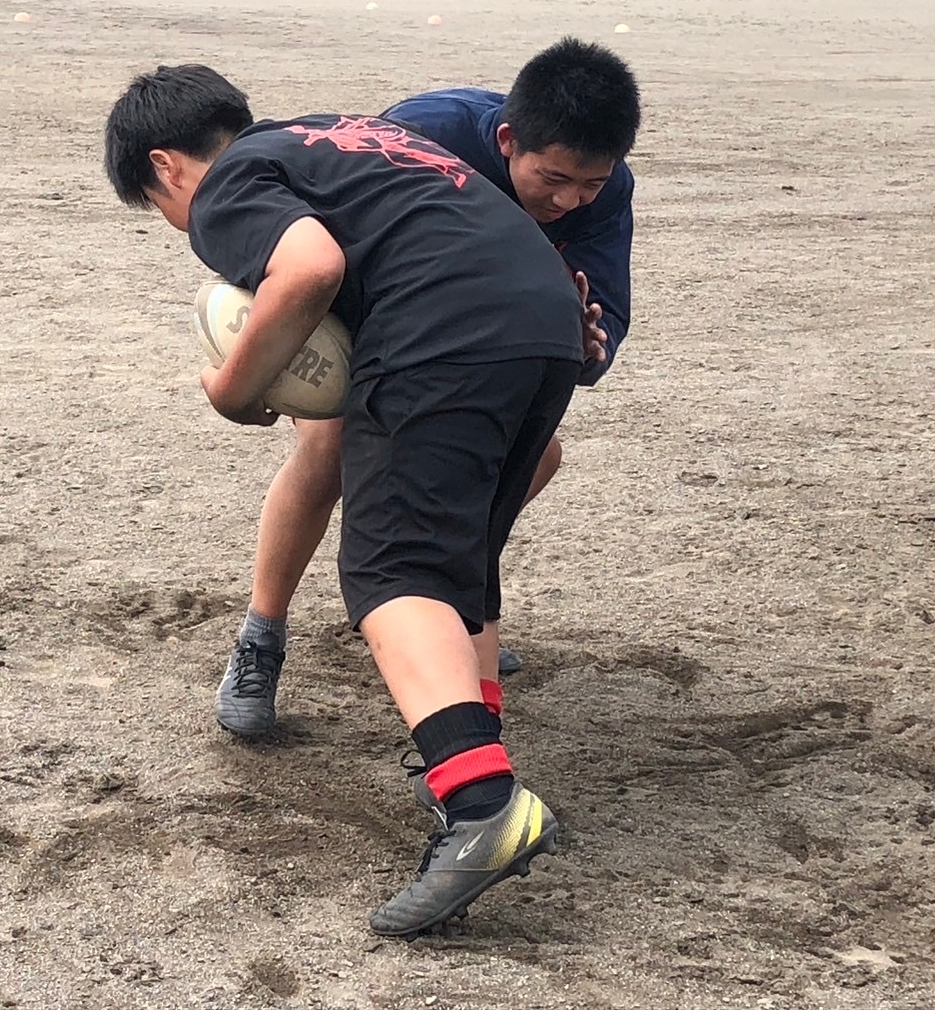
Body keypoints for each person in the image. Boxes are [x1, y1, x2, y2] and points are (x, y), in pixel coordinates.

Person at [104, 64, 597, 937]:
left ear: (165, 167)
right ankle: (469, 757)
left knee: (392, 573)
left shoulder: (227, 185)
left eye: (157, 207)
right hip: (546, 319)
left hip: (448, 328)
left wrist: (232, 390)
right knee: (458, 565)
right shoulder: (339, 135)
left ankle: (481, 803)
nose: (177, 222)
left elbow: (307, 268)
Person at [214, 37, 639, 738]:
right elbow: (328, 234)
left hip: (473, 347)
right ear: (507, 141)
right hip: (367, 322)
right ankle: (261, 637)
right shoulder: (425, 130)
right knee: (329, 447)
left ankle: (443, 614)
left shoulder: (605, 190)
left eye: (590, 184)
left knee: (535, 455)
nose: (570, 200)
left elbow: (606, 317)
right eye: (554, 178)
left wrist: (590, 345)